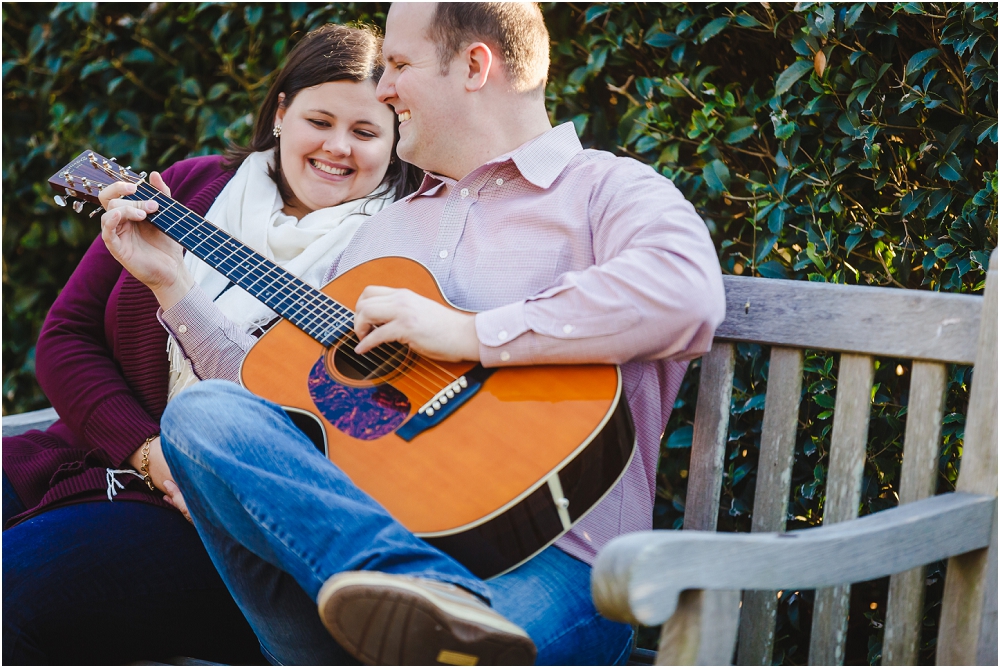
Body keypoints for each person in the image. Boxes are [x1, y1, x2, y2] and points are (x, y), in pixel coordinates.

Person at [101, 3, 726, 665]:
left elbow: (684, 294)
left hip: (552, 563)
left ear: (474, 65)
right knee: (202, 414)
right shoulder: (385, 233)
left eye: (399, 65)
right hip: (353, 575)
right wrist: (171, 283)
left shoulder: (606, 191)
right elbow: (278, 396)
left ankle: (425, 606)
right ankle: (412, 587)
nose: (384, 88)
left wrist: (468, 332)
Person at [2, 23, 421, 665]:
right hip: (105, 459)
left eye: (365, 132)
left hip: (233, 531)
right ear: (281, 113)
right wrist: (148, 452)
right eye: (320, 120)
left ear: (395, 142)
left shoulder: (400, 247)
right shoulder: (189, 189)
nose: (338, 147)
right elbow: (66, 338)